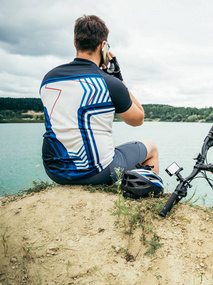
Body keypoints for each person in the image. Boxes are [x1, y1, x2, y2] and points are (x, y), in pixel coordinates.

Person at [39, 15, 159, 185]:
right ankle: (145, 197)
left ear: (75, 43)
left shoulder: (48, 79)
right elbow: (138, 119)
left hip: (55, 171)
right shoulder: (109, 83)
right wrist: (119, 78)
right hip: (97, 172)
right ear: (103, 46)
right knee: (151, 147)